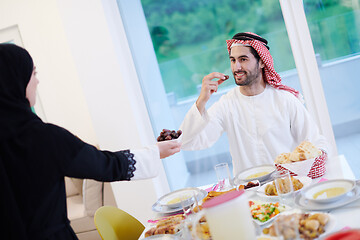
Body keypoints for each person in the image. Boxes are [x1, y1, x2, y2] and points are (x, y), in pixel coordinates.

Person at [0, 43, 181, 239]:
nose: (37, 81)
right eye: (33, 74)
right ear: (15, 81)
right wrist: (155, 152)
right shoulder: (43, 138)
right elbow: (104, 165)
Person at [180, 32, 329, 175]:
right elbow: (189, 141)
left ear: (262, 62)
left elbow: (316, 142)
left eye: (243, 59)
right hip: (249, 192)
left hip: (287, 186)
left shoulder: (285, 100)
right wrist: (201, 101)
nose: (236, 67)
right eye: (233, 60)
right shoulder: (226, 105)